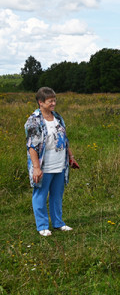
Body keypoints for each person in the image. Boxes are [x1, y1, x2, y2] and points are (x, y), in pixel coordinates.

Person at [25, 87, 79, 236]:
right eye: (50, 101)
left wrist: (70, 157)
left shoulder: (58, 117)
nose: (53, 103)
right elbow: (32, 146)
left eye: (54, 100)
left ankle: (58, 223)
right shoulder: (34, 121)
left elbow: (64, 139)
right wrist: (36, 168)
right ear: (40, 102)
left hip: (59, 164)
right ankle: (42, 226)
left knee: (57, 195)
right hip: (44, 166)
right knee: (40, 195)